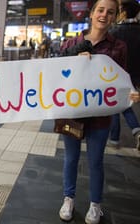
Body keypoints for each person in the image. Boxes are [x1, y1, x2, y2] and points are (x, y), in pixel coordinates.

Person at [57, 0, 140, 224]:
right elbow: (56, 71)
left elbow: (122, 77)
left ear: (114, 17)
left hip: (101, 116)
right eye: (100, 10)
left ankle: (95, 205)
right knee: (71, 159)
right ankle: (68, 198)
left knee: (95, 161)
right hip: (72, 113)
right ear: (92, 13)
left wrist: (130, 92)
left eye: (110, 12)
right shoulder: (72, 42)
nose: (104, 15)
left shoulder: (118, 47)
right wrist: (76, 55)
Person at [108, 0, 140, 150]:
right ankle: (137, 130)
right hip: (135, 76)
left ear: (123, 12)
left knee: (115, 104)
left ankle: (114, 139)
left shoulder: (115, 32)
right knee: (126, 103)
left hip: (117, 74)